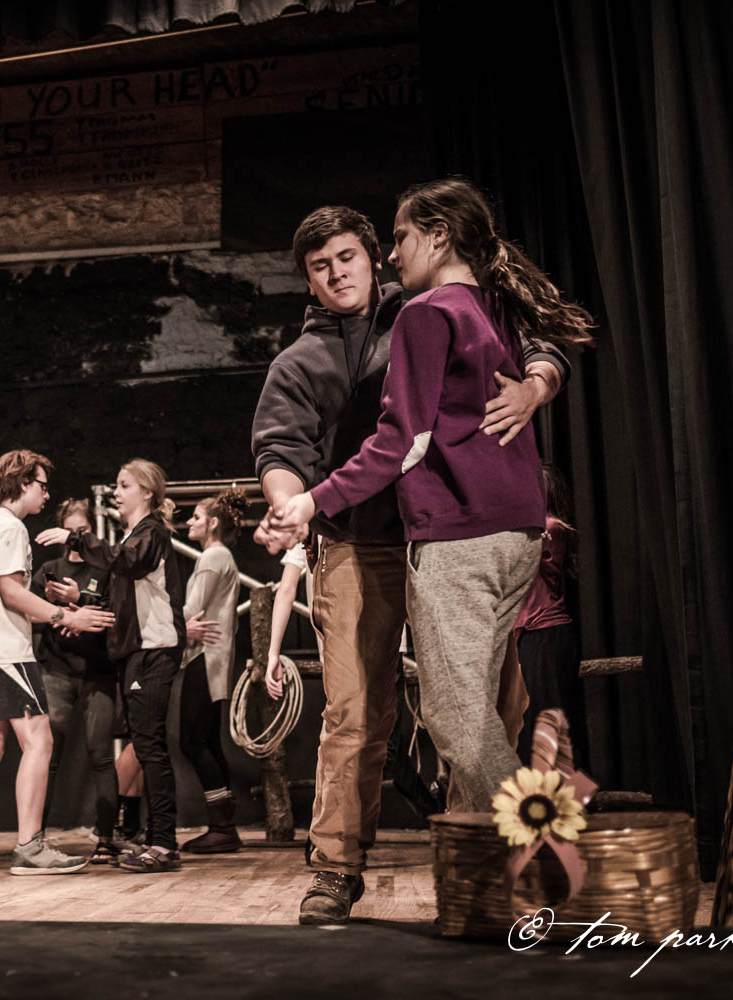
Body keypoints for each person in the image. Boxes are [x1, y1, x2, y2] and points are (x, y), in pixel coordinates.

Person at [267, 179, 594, 907]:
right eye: (320, 266)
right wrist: (294, 505)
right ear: (308, 281)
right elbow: (280, 451)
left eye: (352, 254)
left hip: (452, 534)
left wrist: (536, 386)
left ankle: (525, 859)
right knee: (361, 715)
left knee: (476, 711)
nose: (339, 272)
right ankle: (343, 867)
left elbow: (409, 435)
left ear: (377, 254)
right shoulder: (299, 363)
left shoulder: (426, 307)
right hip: (369, 547)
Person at [0, 450, 113, 876]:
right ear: (22, 484)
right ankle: (30, 847)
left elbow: (8, 596)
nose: (46, 494)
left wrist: (51, 605)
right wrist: (67, 616)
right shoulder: (11, 528)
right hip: (4, 655)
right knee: (39, 742)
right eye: (42, 486)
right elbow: (11, 593)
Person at [37, 458, 186, 874]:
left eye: (124, 485)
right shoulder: (134, 537)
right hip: (138, 653)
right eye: (116, 485)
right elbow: (118, 603)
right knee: (146, 744)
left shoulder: (150, 533)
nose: (116, 493)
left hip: (154, 652)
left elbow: (127, 560)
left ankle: (163, 844)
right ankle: (156, 839)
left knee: (150, 746)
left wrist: (76, 537)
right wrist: (79, 603)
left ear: (147, 493)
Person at [31, 499, 122, 863]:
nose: (75, 538)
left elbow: (116, 614)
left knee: (101, 753)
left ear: (91, 532)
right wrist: (58, 613)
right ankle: (34, 838)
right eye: (69, 531)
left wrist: (83, 610)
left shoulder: (107, 568)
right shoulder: (49, 571)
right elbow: (28, 614)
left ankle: (106, 838)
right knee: (47, 754)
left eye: (82, 531)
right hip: (56, 670)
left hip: (98, 671)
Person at [178, 487, 246, 853]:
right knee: (204, 739)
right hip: (209, 656)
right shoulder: (221, 557)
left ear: (213, 523)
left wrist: (160, 622)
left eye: (196, 517)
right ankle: (224, 824)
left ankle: (222, 826)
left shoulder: (214, 556)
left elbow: (192, 610)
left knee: (193, 740)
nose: (189, 522)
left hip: (205, 656)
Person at [513, 463, 589, 770]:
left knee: (549, 721)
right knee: (533, 722)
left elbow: (521, 554)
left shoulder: (552, 527)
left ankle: (566, 792)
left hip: (546, 633)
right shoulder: (531, 529)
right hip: (529, 635)